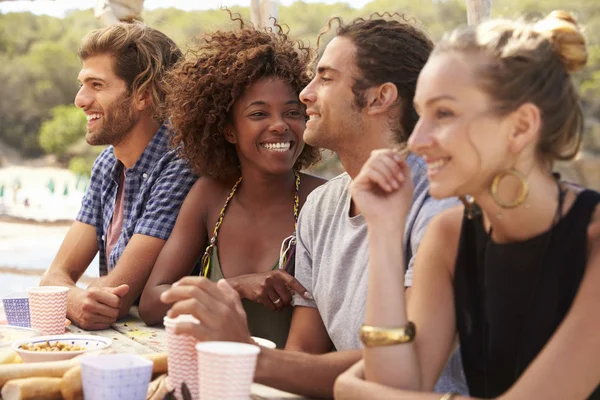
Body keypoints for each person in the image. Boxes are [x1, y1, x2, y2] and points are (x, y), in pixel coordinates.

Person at [160, 15, 467, 398]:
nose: (305, 94)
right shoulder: (320, 207)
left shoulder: (444, 205)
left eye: (325, 78)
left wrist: (244, 353)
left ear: (379, 98)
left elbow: (398, 367)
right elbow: (304, 351)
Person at [335, 10, 600, 400]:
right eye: (421, 114)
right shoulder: (449, 236)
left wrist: (355, 390)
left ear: (521, 127)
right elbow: (393, 385)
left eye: (444, 114)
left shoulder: (593, 237)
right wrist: (386, 229)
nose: (417, 140)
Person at [138, 18, 324, 348]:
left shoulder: (323, 201)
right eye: (259, 114)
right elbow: (152, 304)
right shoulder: (210, 196)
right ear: (228, 131)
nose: (280, 125)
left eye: (293, 112)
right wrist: (235, 286)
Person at [40, 23, 197, 331]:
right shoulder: (106, 164)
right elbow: (53, 276)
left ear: (143, 95)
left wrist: (68, 297)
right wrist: (74, 299)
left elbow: (116, 298)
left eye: (97, 85)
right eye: (83, 84)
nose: (80, 99)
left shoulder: (181, 163)